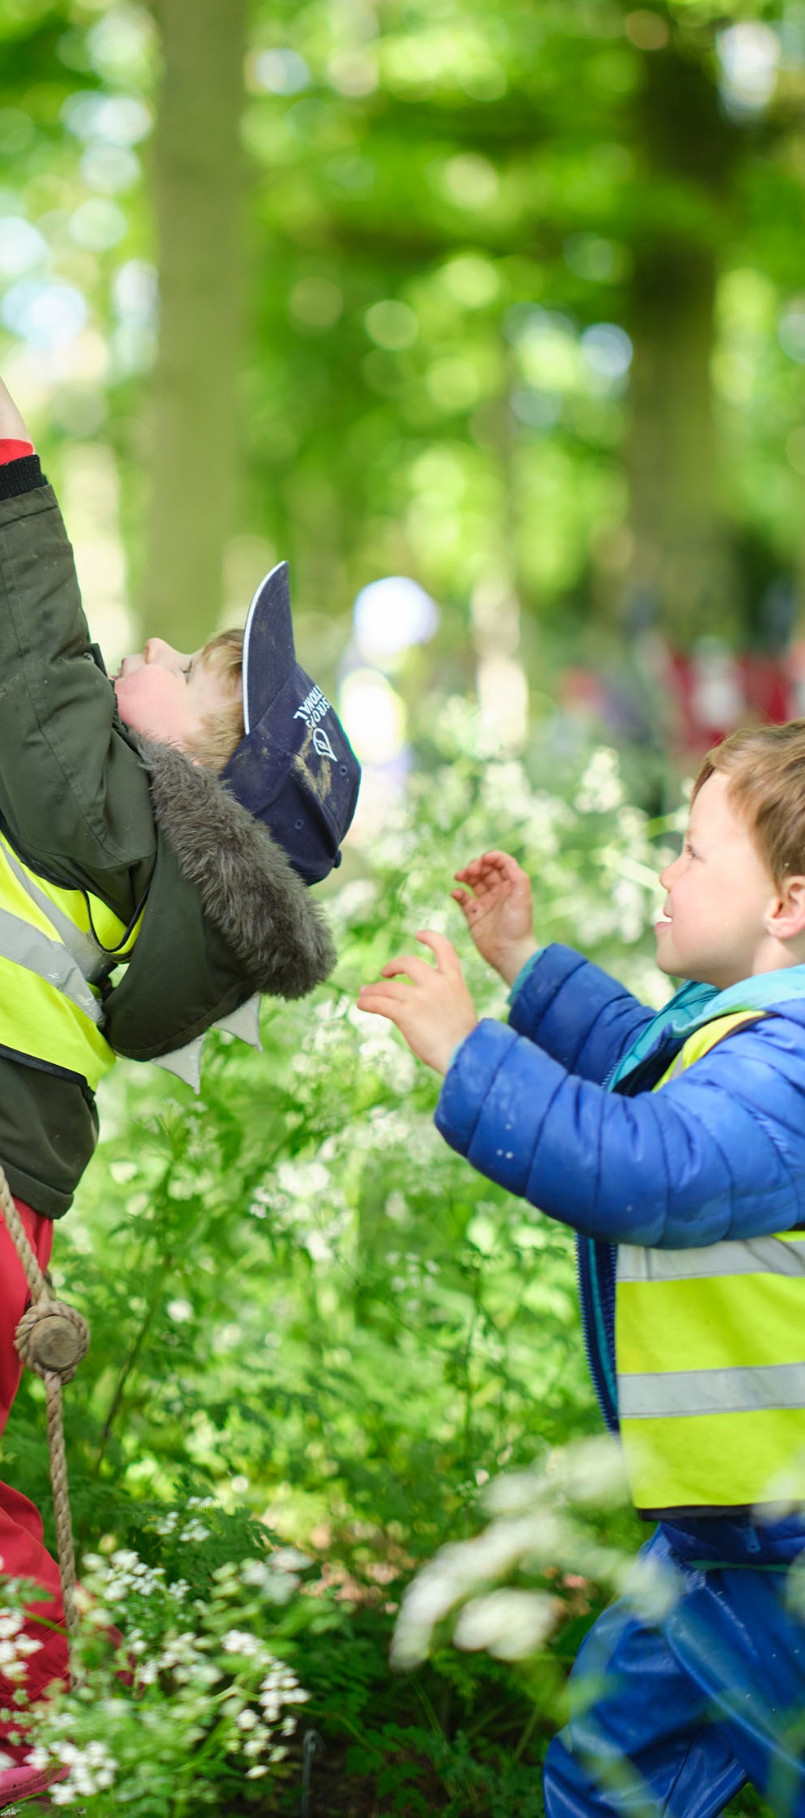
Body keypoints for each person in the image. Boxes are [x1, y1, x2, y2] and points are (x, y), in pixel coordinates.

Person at [0, 351, 360, 1810]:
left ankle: (60, 1753)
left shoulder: (109, 815)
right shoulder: (121, 829)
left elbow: (36, 662)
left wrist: (4, 459)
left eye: (187, 672)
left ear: (198, 776)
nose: (146, 650)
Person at [358, 722, 805, 1815]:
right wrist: (525, 961)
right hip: (716, 1538)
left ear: (788, 904)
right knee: (605, 1778)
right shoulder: (746, 1040)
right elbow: (639, 1062)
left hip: (782, 1557)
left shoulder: (791, 1072)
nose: (667, 870)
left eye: (693, 851)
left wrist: (469, 1053)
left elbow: (646, 1162)